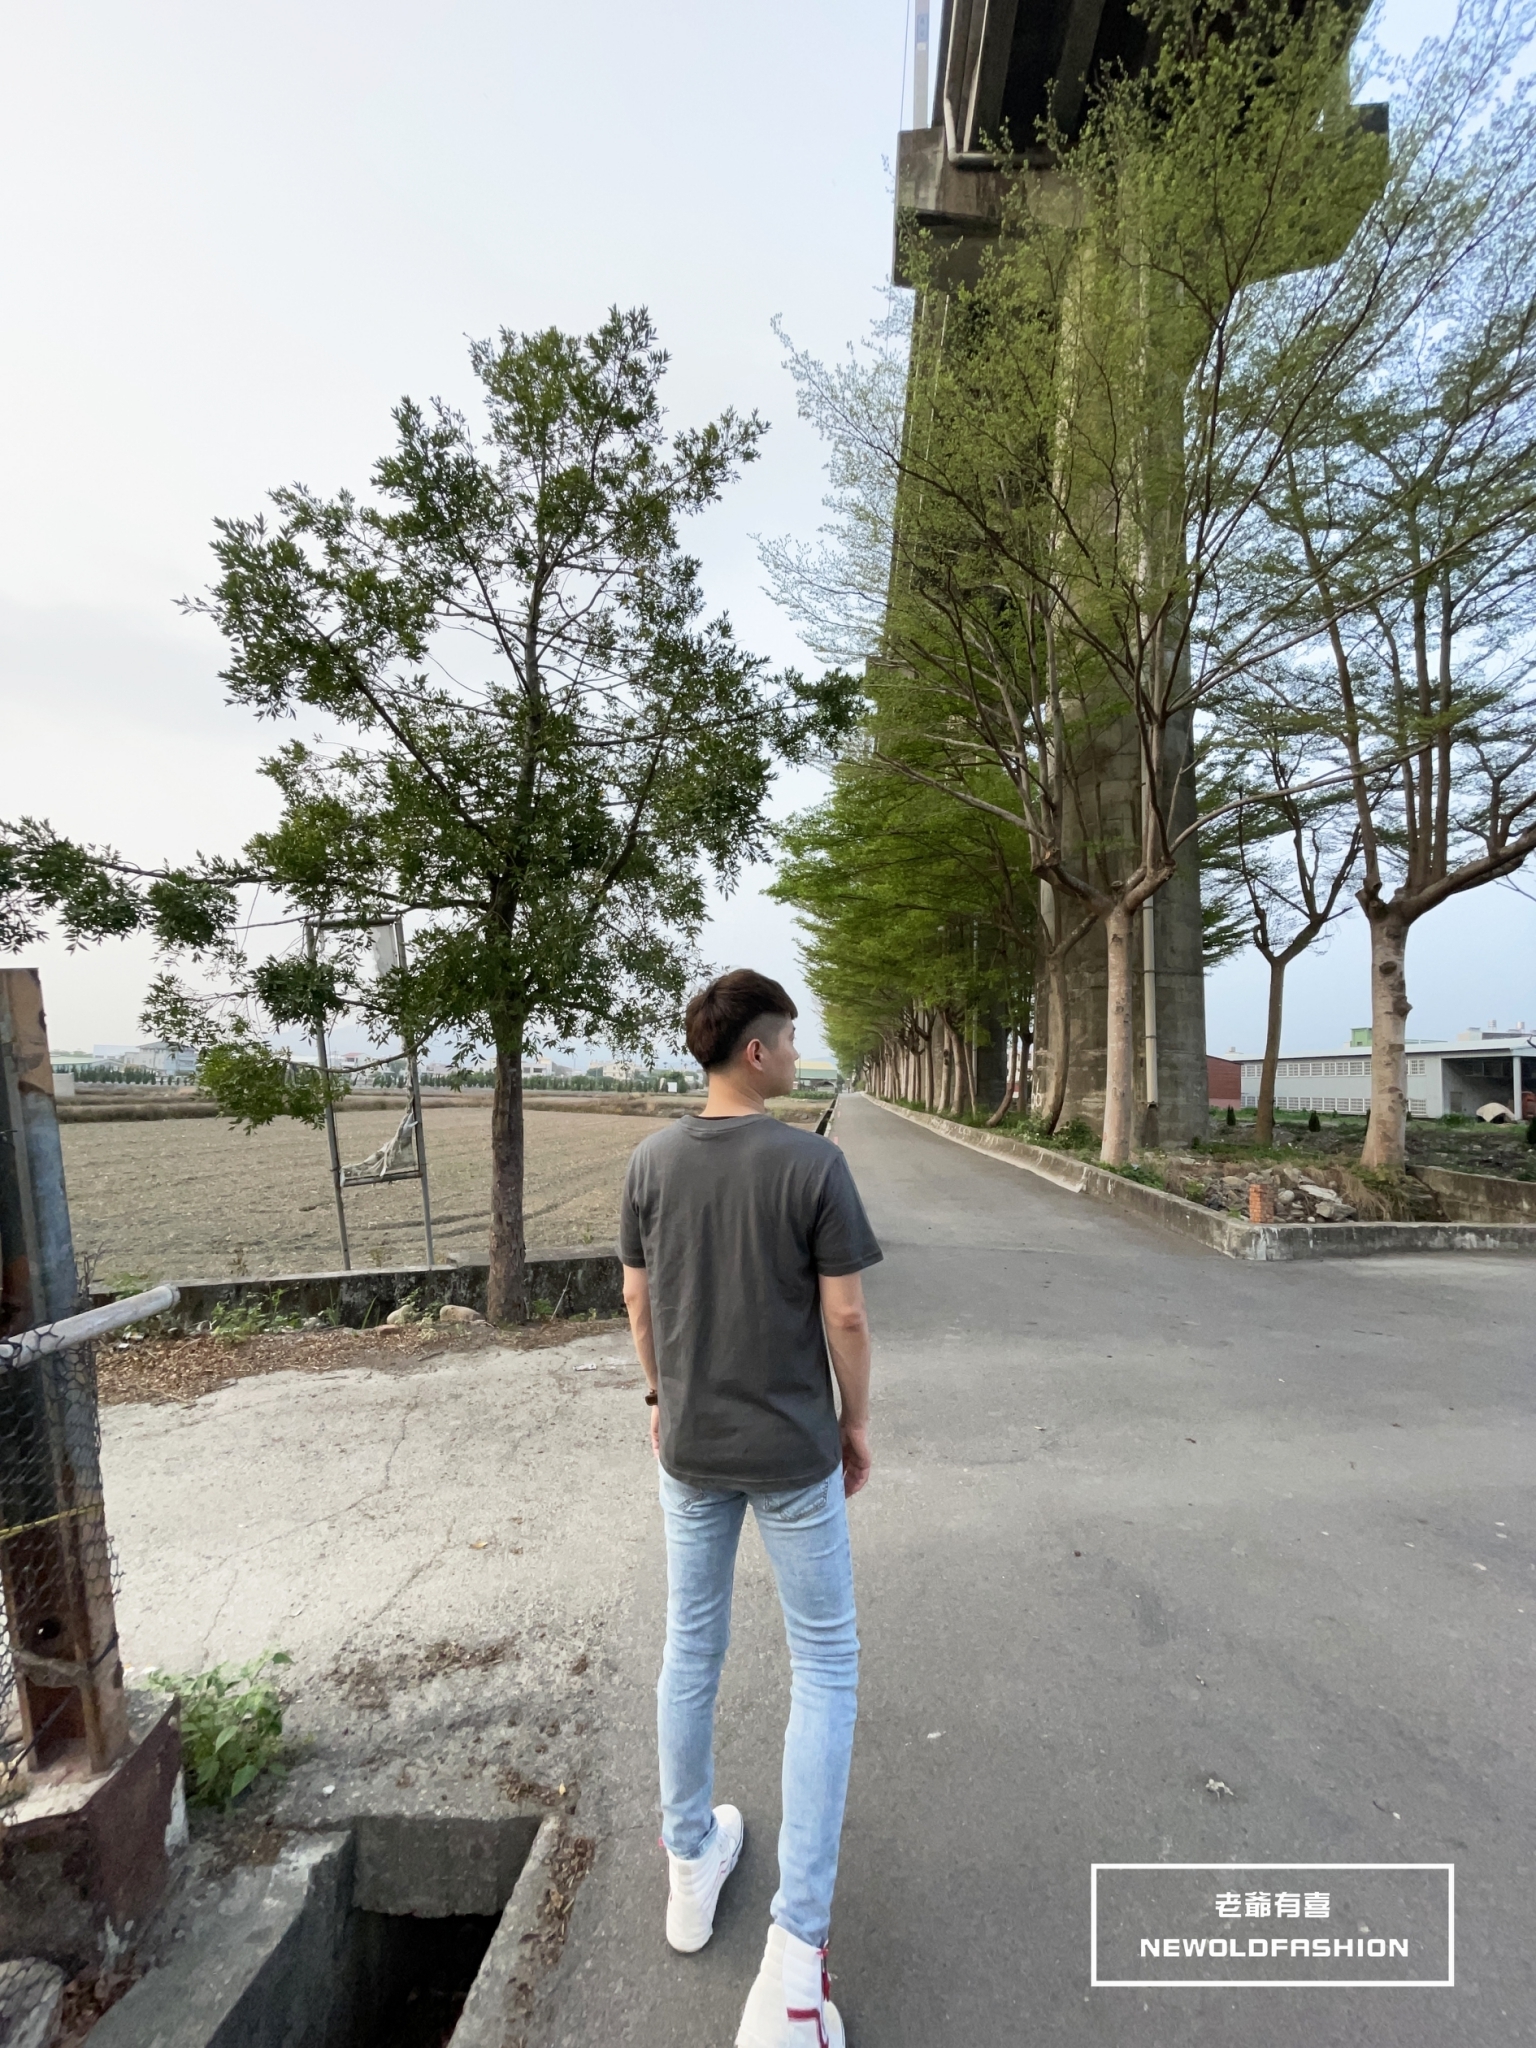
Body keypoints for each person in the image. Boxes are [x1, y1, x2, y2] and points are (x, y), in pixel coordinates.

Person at [619, 969, 881, 2048]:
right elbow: (846, 1318)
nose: (798, 1053)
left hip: (690, 1448)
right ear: (759, 1052)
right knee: (824, 1667)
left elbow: (637, 1296)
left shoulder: (651, 1160)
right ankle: (794, 1961)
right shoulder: (812, 1164)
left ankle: (690, 1865)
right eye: (792, 1038)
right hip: (791, 1451)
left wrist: (658, 1399)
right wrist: (854, 1423)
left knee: (692, 1645)